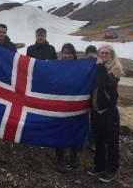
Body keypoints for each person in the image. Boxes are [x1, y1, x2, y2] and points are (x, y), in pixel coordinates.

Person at [88, 44, 123, 183]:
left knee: (112, 141)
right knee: (99, 140)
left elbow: (105, 83)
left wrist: (100, 66)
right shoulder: (98, 66)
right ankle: (100, 165)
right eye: (101, 53)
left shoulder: (115, 69)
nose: (103, 55)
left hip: (109, 112)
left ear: (111, 55)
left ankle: (112, 168)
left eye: (106, 53)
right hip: (96, 111)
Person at [54, 43, 78, 173]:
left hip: (76, 105)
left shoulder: (81, 67)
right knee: (61, 132)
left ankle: (74, 157)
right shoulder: (57, 66)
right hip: (61, 105)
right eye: (64, 53)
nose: (67, 55)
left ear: (73, 54)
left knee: (75, 131)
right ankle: (60, 159)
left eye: (69, 53)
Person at [85, 44, 97, 152]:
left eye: (92, 52)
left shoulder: (99, 64)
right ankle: (83, 140)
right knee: (83, 120)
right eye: (88, 53)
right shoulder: (82, 65)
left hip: (95, 97)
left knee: (94, 120)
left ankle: (92, 141)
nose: (90, 54)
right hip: (83, 96)